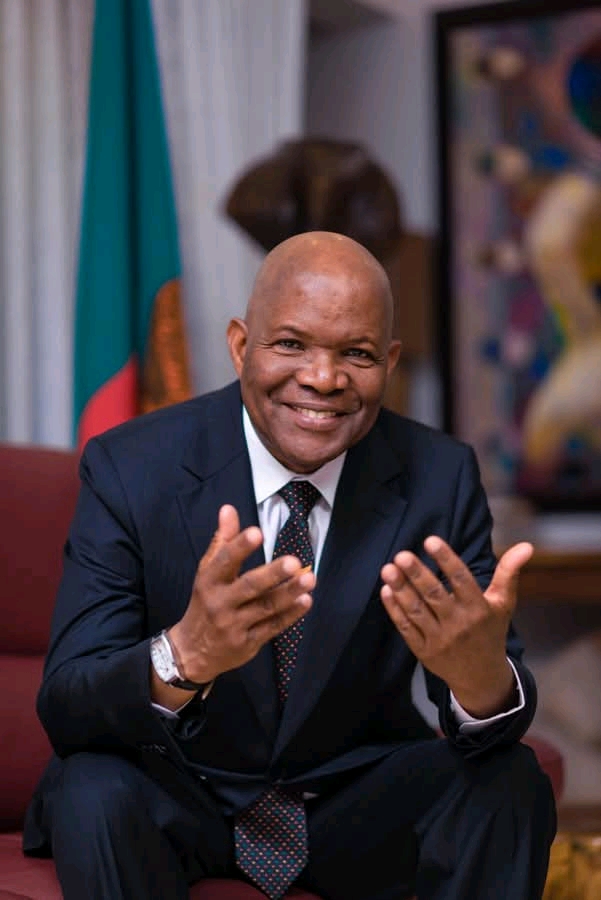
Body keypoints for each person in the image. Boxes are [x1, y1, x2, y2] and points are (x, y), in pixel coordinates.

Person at [24, 231, 556, 900]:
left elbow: (492, 711)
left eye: (356, 353)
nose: (323, 378)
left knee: (509, 781)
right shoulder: (131, 467)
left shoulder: (438, 477)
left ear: (388, 362)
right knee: (92, 787)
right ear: (240, 345)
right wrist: (184, 656)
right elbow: (68, 705)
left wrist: (478, 681)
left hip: (350, 802)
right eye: (291, 344)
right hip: (177, 792)